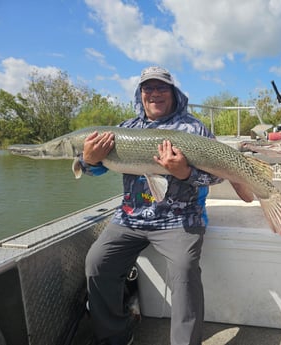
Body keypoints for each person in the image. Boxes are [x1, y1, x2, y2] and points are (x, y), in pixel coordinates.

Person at [80, 66, 224, 345]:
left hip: (179, 219)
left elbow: (217, 175)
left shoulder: (194, 129)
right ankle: (115, 335)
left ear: (173, 93)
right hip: (130, 218)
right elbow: (95, 171)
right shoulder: (124, 130)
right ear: (140, 94)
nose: (155, 93)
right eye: (149, 88)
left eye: (162, 88)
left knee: (184, 271)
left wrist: (185, 173)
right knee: (97, 263)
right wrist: (90, 160)